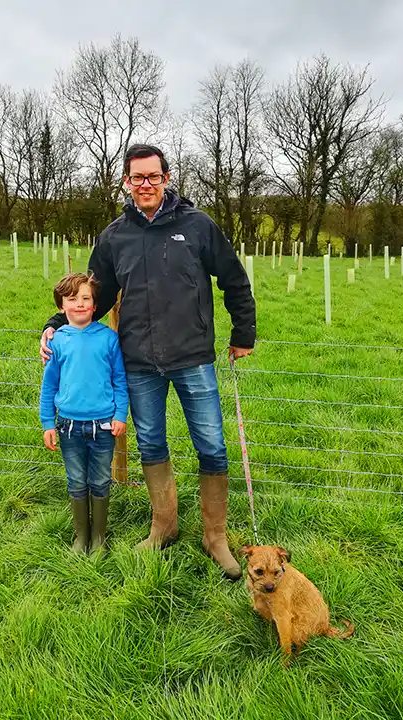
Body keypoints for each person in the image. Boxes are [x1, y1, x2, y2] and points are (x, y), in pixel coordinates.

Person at [40, 144, 256, 579]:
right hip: (138, 361)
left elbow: (233, 278)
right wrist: (55, 324)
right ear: (126, 181)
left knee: (211, 446)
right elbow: (92, 296)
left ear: (167, 178)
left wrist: (243, 333)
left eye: (153, 176)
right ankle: (165, 526)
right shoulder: (115, 235)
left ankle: (216, 537)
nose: (146, 184)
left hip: (193, 356)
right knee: (152, 444)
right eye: (137, 177)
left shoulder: (198, 226)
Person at [40, 272, 128, 554]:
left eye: (85, 298)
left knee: (101, 480)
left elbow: (119, 381)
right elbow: (49, 385)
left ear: (94, 304)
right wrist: (47, 423)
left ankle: (99, 537)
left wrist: (120, 415)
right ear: (61, 307)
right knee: (76, 480)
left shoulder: (108, 339)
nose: (79, 304)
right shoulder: (58, 341)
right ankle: (81, 536)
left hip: (103, 426)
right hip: (68, 427)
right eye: (72, 299)